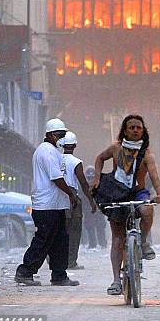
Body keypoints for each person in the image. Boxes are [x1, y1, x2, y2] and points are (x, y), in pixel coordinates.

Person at [92, 114, 160, 295]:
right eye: (131, 127)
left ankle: (144, 241)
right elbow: (100, 158)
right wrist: (96, 177)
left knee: (147, 210)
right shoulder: (116, 149)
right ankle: (116, 281)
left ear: (143, 131)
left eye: (138, 127)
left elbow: (154, 176)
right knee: (117, 239)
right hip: (116, 193)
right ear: (125, 130)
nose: (135, 130)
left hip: (138, 192)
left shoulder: (147, 155)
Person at [15, 118, 79, 287]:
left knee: (60, 241)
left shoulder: (53, 151)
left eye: (64, 135)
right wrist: (71, 194)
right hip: (46, 206)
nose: (62, 138)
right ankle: (25, 271)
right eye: (59, 135)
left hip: (56, 205)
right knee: (43, 240)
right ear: (50, 135)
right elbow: (56, 178)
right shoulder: (47, 152)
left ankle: (59, 275)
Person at [59, 131, 97, 269]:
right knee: (74, 231)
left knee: (57, 230)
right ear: (75, 145)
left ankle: (53, 260)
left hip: (55, 196)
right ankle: (70, 262)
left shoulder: (55, 158)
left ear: (62, 145)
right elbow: (83, 183)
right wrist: (91, 201)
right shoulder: (76, 162)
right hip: (71, 197)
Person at [82, 166, 107, 249]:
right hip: (88, 210)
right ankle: (93, 244)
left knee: (100, 227)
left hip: (98, 209)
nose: (90, 179)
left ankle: (102, 244)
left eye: (92, 177)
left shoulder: (100, 184)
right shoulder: (83, 186)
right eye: (89, 177)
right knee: (89, 227)